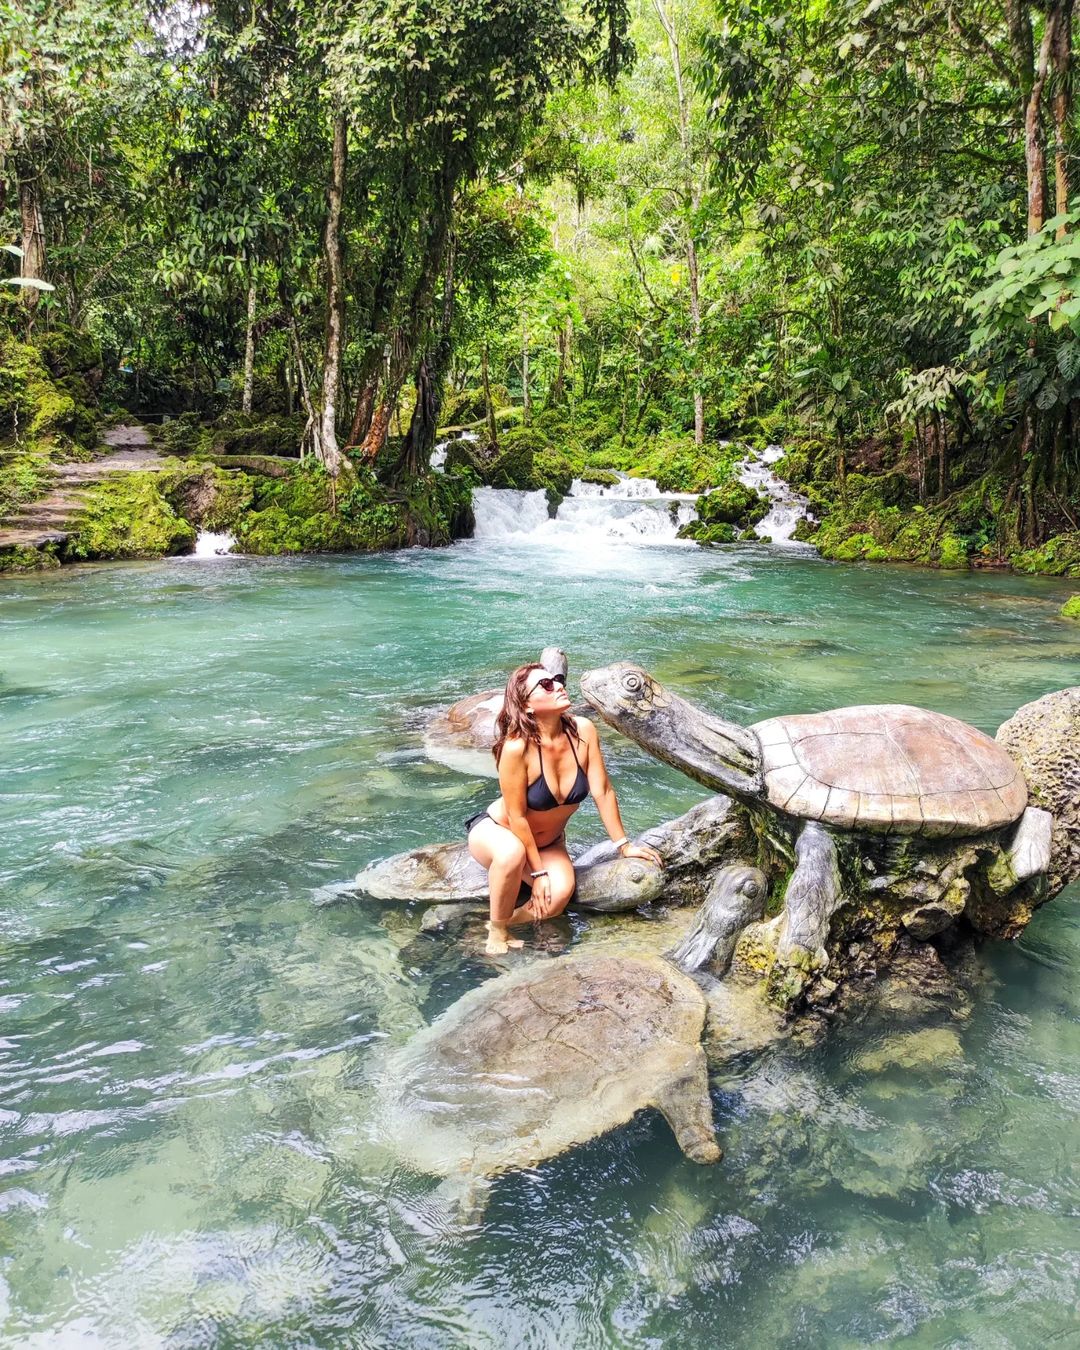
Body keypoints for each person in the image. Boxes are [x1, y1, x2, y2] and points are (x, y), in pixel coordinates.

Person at [466, 661, 663, 954]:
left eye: (557, 679)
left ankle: (496, 922)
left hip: (549, 843)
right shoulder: (516, 748)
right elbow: (517, 816)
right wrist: (538, 874)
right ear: (527, 705)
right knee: (511, 853)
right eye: (545, 684)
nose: (558, 685)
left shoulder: (583, 731)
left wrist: (624, 846)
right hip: (499, 832)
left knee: (556, 901)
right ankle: (496, 932)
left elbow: (603, 791)